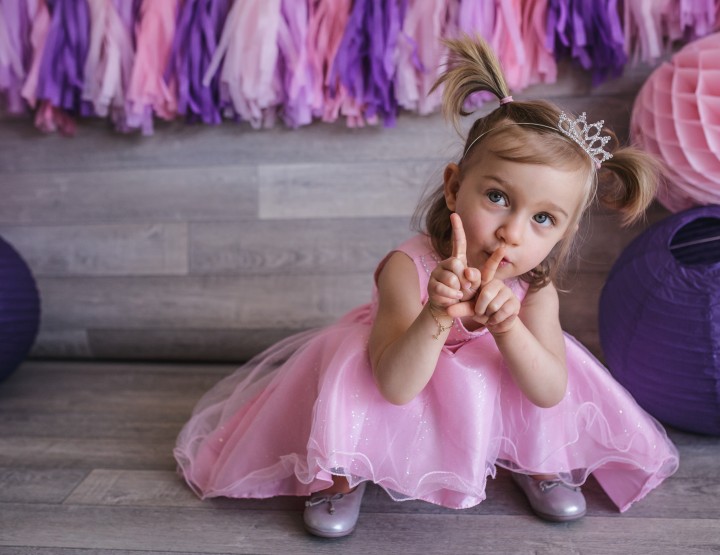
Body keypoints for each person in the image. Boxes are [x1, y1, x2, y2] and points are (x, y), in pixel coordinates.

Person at [174, 35, 679, 538]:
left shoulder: (535, 289)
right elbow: (394, 386)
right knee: (351, 371)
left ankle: (537, 461)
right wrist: (436, 313)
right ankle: (342, 469)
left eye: (544, 217)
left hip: (496, 389)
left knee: (524, 365)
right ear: (456, 186)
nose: (512, 232)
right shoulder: (407, 265)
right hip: (401, 374)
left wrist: (507, 330)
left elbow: (548, 393)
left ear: (565, 232)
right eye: (499, 196)